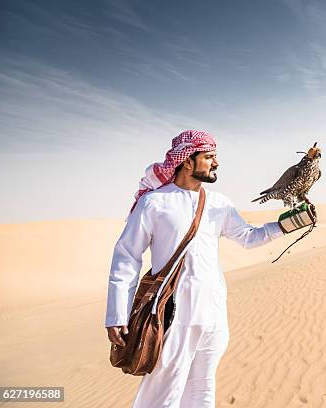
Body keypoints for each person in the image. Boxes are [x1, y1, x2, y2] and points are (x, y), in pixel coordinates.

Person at [105, 130, 286, 407]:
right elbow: (127, 257)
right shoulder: (154, 202)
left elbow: (248, 237)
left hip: (213, 315)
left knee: (203, 392)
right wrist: (117, 314)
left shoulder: (218, 203)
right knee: (163, 395)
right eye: (209, 157)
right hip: (172, 316)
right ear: (187, 161)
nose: (216, 163)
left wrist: (286, 225)